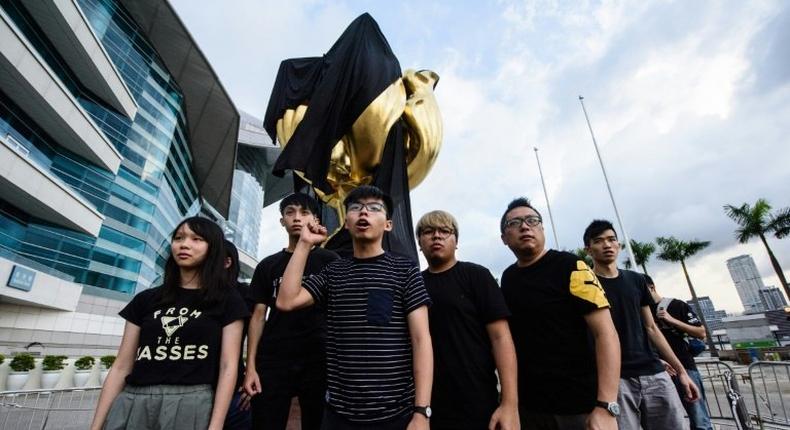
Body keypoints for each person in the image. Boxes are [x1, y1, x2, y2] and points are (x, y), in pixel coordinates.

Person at [277, 185, 433, 430]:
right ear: (346, 223)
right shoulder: (334, 272)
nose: (363, 213)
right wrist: (305, 244)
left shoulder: (405, 271)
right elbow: (286, 301)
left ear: (388, 224)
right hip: (339, 414)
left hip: (396, 414)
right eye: (356, 208)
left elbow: (421, 340)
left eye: (374, 208)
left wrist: (422, 411)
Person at [91, 217, 249, 430]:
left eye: (197, 239)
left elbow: (228, 366)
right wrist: (96, 425)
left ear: (213, 249)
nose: (184, 244)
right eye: (178, 238)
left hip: (191, 402)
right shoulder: (145, 299)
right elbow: (121, 365)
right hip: (134, 400)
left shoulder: (228, 300)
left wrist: (216, 425)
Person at [499, 198, 620, 430]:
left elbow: (606, 334)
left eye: (532, 220)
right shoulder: (508, 278)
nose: (525, 226)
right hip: (530, 407)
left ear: (542, 229)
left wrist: (606, 405)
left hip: (579, 406)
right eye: (514, 223)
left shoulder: (571, 266)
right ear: (504, 238)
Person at [583, 219, 700, 430]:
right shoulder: (585, 284)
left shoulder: (636, 280)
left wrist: (681, 371)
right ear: (588, 249)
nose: (607, 245)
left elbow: (651, 328)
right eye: (599, 241)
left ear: (619, 245)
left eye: (611, 240)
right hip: (615, 379)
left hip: (653, 373)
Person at [416, 210, 519, 430]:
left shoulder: (477, 276)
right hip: (427, 405)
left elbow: (500, 338)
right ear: (419, 242)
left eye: (444, 231)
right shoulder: (413, 284)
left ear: (456, 241)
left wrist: (510, 403)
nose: (436, 236)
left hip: (478, 400)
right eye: (428, 231)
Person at [244, 193, 339, 429]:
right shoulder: (267, 265)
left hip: (319, 356)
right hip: (275, 356)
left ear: (315, 219)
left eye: (304, 213)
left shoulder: (330, 260)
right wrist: (251, 367)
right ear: (281, 221)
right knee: (266, 421)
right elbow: (258, 316)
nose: (297, 218)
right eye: (290, 213)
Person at [647, 275, 713, 430]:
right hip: (658, 369)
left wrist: (671, 320)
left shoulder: (676, 305)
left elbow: (701, 332)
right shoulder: (642, 311)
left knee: (698, 416)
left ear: (651, 287)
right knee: (665, 418)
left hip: (685, 366)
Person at [224, 240, 255, 430]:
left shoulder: (244, 294)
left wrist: (251, 375)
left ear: (227, 262)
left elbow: (258, 337)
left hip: (235, 391)